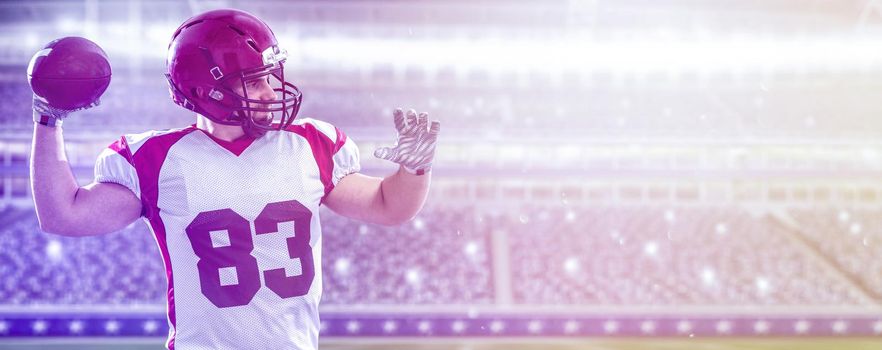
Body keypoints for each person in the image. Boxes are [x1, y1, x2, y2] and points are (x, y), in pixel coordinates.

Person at [29, 8, 439, 350]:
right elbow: (64, 215)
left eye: (270, 76)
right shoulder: (156, 159)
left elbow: (390, 206)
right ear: (210, 90)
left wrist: (415, 167)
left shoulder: (309, 145)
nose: (270, 90)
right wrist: (49, 117)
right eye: (255, 81)